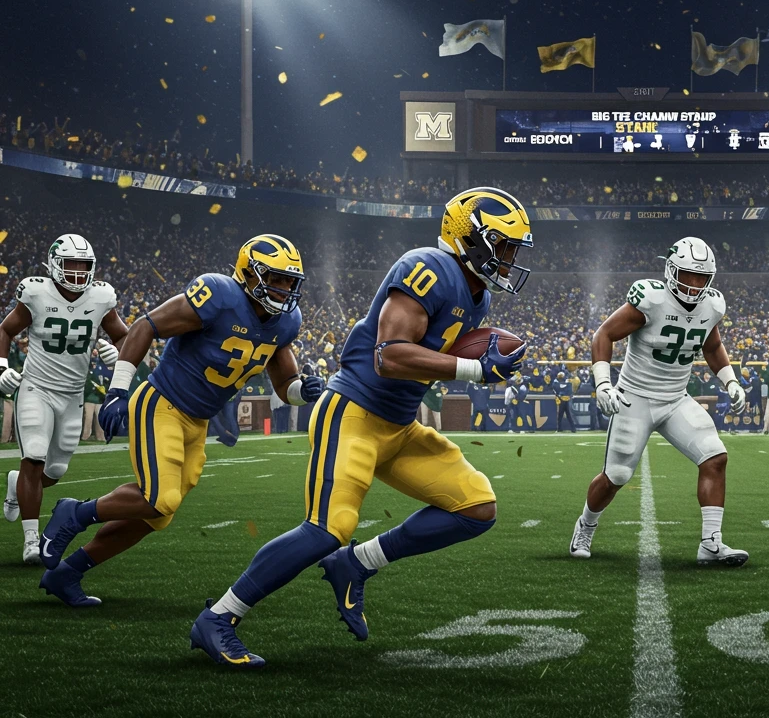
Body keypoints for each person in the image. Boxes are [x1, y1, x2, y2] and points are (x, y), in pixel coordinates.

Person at [189, 188, 532, 667]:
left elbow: (429, 360)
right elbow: (389, 355)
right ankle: (219, 618)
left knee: (476, 507)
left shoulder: (476, 300)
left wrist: (467, 363)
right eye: (505, 245)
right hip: (352, 412)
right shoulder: (427, 267)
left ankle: (357, 562)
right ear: (469, 238)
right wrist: (474, 370)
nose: (511, 258)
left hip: (398, 425)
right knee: (328, 528)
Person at [37, 235, 319, 606]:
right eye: (275, 278)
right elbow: (144, 327)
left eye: (288, 281)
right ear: (247, 273)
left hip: (197, 422)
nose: (283, 289)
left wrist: (304, 390)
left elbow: (285, 384)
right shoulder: (219, 294)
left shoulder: (286, 322)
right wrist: (118, 390)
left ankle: (67, 573)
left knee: (157, 515)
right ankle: (74, 512)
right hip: (163, 404)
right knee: (159, 497)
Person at [568, 237, 748, 565]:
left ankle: (710, 543)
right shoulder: (651, 299)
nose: (694, 285)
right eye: (687, 275)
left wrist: (730, 380)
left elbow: (711, 346)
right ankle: (585, 525)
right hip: (635, 397)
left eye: (701, 278)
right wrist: (603, 385)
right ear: (670, 270)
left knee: (715, 457)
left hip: (676, 399)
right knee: (617, 476)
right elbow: (603, 335)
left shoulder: (713, 305)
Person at [1, 234, 128, 564]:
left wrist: (119, 352)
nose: (76, 272)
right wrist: (1, 366)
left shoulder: (100, 297)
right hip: (36, 388)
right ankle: (31, 539)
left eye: (83, 266)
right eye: (70, 264)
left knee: (54, 470)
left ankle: (18, 486)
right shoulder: (36, 292)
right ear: (54, 264)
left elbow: (126, 336)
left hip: (72, 393)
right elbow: (5, 330)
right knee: (35, 455)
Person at [81, 345, 109, 442]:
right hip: (89, 397)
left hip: (99, 397)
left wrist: (104, 386)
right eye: (94, 351)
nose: (95, 353)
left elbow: (105, 377)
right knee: (88, 418)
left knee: (99, 419)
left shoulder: (101, 366)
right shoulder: (87, 365)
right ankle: (86, 436)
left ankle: (100, 436)